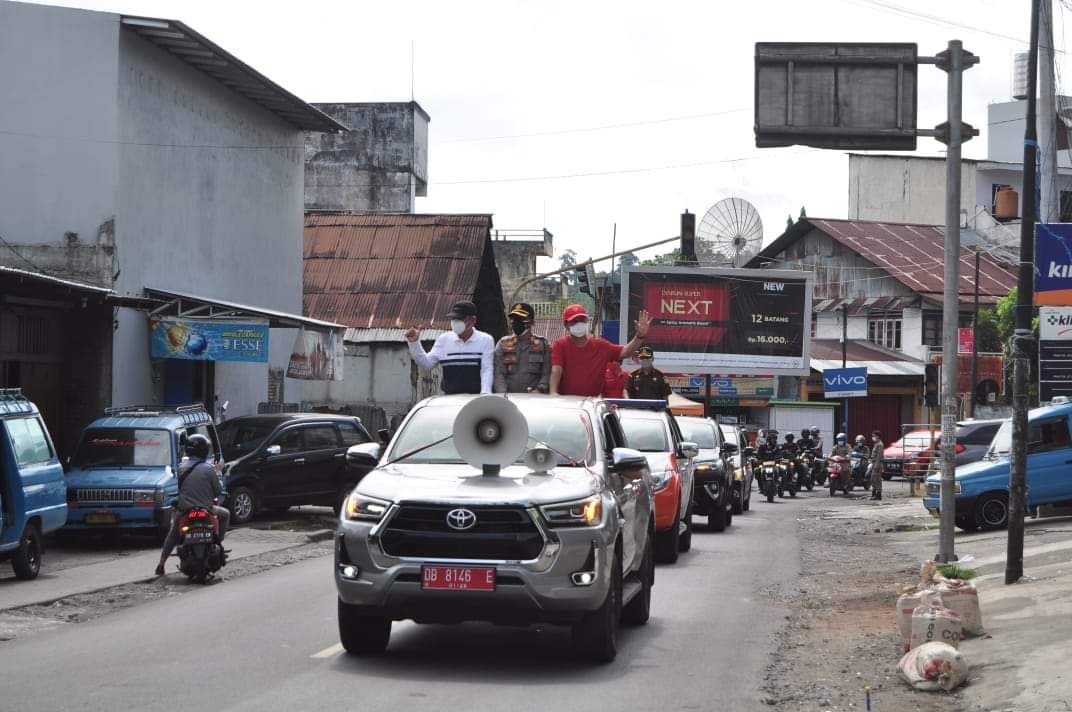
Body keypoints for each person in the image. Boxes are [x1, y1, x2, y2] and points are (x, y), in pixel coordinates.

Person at [155, 434, 230, 576]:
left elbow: (175, 490)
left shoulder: (180, 468)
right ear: (204, 451)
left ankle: (161, 563)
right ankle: (218, 543)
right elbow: (218, 491)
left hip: (184, 511)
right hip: (206, 509)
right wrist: (218, 473)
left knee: (173, 534)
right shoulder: (209, 469)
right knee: (225, 514)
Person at [549, 304, 651, 396]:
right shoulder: (560, 345)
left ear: (587, 322)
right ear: (566, 325)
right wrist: (553, 393)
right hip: (567, 401)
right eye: (574, 321)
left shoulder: (601, 346)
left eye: (582, 320)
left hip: (591, 402)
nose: (579, 324)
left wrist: (640, 336)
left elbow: (625, 351)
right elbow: (556, 369)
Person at [405, 301, 494, 395]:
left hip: (475, 397)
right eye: (453, 319)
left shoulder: (485, 340)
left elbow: (486, 369)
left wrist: (485, 393)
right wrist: (414, 342)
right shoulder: (444, 340)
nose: (455, 322)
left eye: (460, 319)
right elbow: (427, 364)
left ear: (472, 320)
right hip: (450, 398)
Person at [493, 302, 550, 394]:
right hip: (509, 397)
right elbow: (499, 374)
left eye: (521, 319)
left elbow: (546, 373)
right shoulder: (503, 344)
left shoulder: (542, 344)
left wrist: (540, 390)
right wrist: (502, 394)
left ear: (532, 322)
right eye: (514, 319)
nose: (516, 322)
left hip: (535, 398)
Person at [870, 430, 886, 500]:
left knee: (877, 479)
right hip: (874, 463)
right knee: (873, 479)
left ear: (878, 437)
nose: (873, 437)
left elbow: (879, 456)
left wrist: (876, 465)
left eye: (874, 436)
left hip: (878, 464)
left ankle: (878, 494)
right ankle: (874, 493)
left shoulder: (880, 444)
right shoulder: (876, 444)